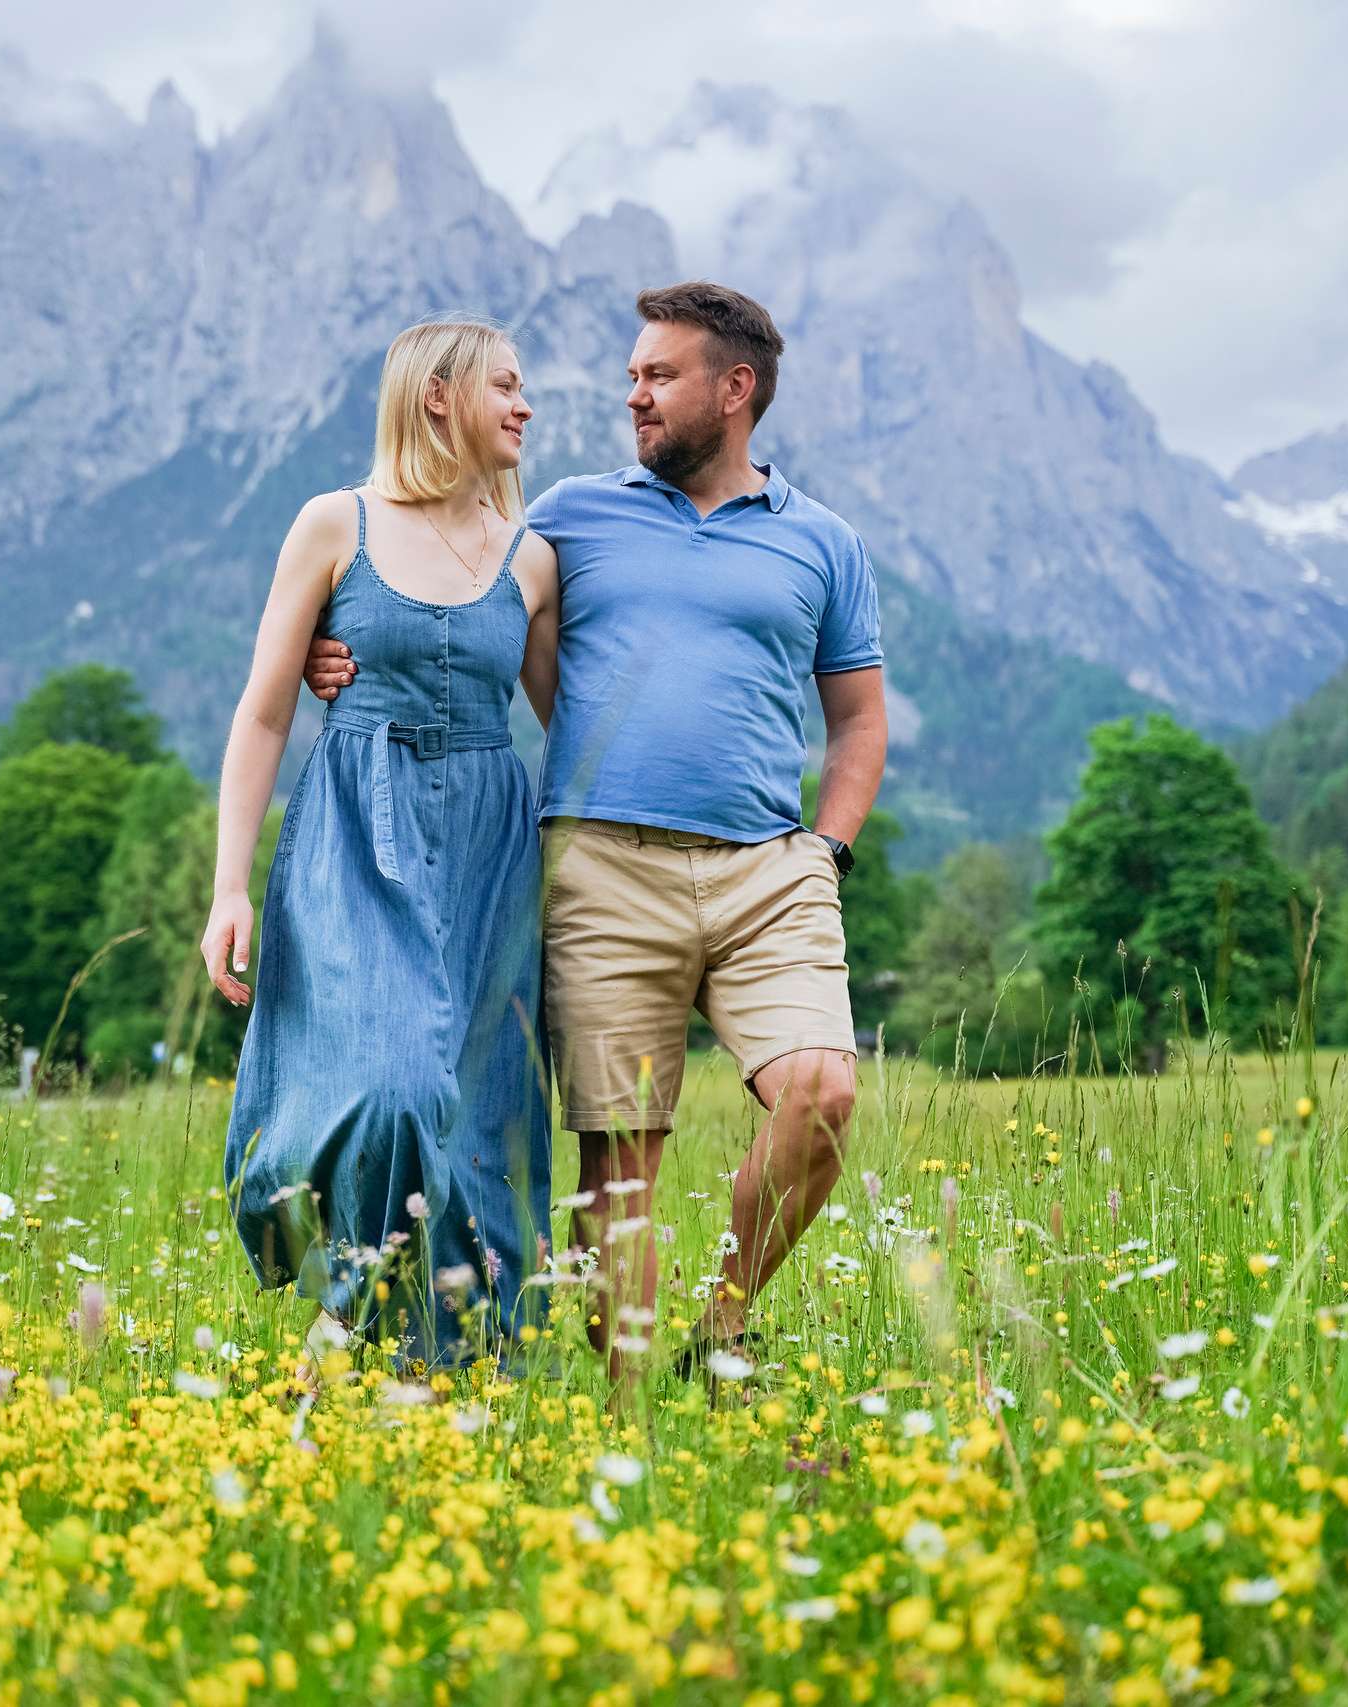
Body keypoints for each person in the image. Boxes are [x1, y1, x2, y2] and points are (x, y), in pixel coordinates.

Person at [307, 283, 887, 1401]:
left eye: (657, 376)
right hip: (600, 870)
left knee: (821, 1095)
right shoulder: (570, 513)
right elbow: (443, 594)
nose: (633, 395)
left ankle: (721, 1325)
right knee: (619, 1175)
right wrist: (330, 650)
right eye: (631, 375)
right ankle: (627, 1422)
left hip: (772, 868)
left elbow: (857, 718)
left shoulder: (822, 544)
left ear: (736, 389)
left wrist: (829, 848)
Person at [203, 318, 560, 1369]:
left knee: (482, 1114)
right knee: (393, 1087)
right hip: (357, 836)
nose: (526, 405)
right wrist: (231, 886)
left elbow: (573, 731)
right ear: (438, 396)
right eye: (505, 385)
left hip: (492, 852)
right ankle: (347, 1310)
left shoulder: (532, 559)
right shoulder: (335, 524)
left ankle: (445, 1379)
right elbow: (264, 715)